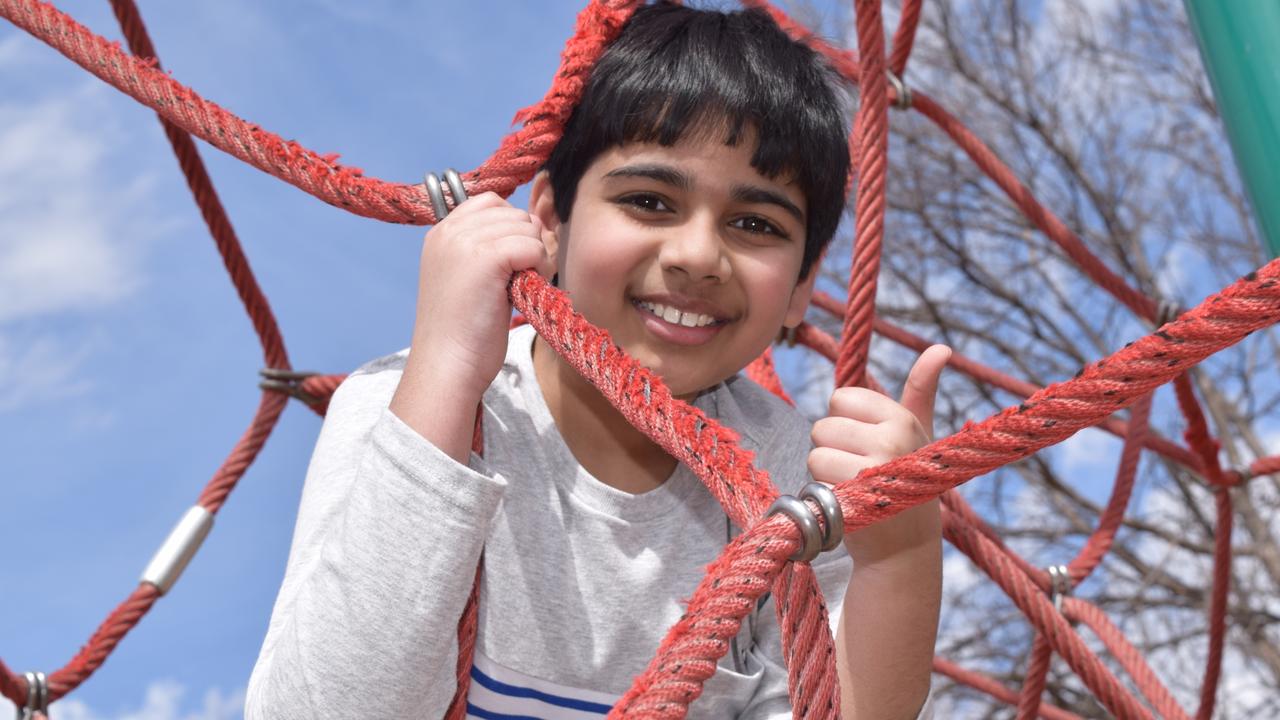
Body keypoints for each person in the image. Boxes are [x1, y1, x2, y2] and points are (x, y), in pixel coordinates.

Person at [245, 3, 947, 718]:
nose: (698, 256)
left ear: (803, 286)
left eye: (755, 224)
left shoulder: (791, 477)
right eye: (649, 200)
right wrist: (448, 368)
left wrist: (899, 561)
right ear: (548, 219)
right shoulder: (403, 401)